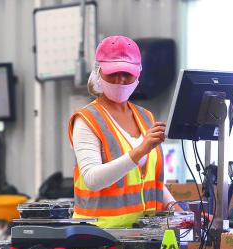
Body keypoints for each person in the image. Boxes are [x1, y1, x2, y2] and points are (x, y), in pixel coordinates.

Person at [68, 35, 178, 229]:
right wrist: (139, 151)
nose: (120, 80)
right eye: (113, 73)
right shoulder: (87, 120)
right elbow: (92, 180)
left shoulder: (146, 118)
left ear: (139, 74)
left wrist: (175, 207)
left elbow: (150, 181)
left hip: (141, 235)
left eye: (127, 73)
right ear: (98, 71)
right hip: (98, 237)